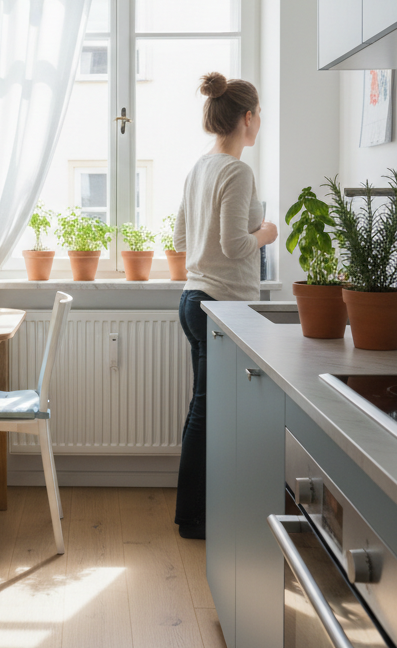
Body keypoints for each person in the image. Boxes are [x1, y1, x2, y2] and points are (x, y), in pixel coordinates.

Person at [172, 72, 278, 539]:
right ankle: (194, 517)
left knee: (205, 408)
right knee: (208, 409)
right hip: (222, 304)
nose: (261, 124)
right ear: (248, 118)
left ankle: (199, 510)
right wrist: (266, 234)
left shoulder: (201, 167)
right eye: (260, 117)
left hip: (195, 298)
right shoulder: (237, 171)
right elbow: (237, 245)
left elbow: (179, 239)